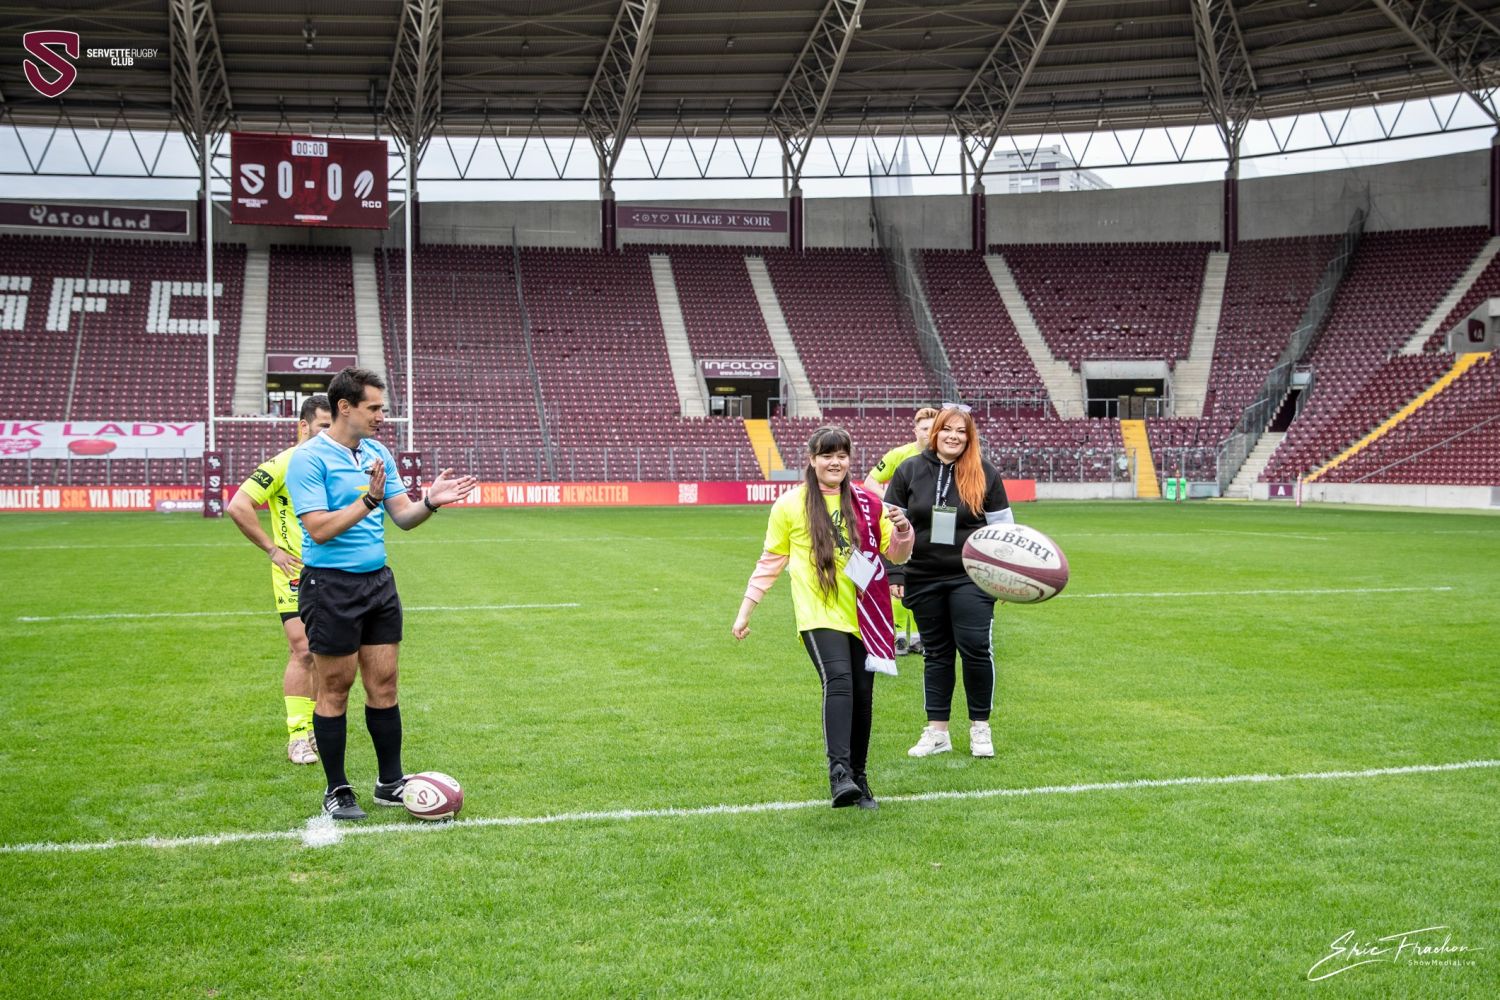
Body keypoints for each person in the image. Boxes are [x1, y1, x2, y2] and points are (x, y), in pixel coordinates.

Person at [285, 367, 478, 820]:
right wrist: (367, 500)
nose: (381, 416)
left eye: (382, 408)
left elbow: (404, 517)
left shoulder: (377, 452)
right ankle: (337, 789)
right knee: (335, 688)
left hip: (378, 584)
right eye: (373, 408)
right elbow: (319, 529)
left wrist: (430, 502)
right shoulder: (308, 459)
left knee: (385, 685)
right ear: (345, 407)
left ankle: (390, 782)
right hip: (330, 585)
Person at [733, 426, 913, 809]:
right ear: (812, 460)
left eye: (842, 455)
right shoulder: (790, 505)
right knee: (839, 681)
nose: (835, 462)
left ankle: (860, 779)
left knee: (863, 695)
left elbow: (896, 554)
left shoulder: (868, 503)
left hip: (864, 614)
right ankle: (839, 774)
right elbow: (769, 563)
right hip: (817, 612)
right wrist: (745, 612)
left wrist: (903, 531)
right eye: (827, 455)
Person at [884, 404, 1013, 759]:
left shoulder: (985, 472)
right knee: (937, 652)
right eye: (947, 429)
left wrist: (1004, 574)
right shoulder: (909, 470)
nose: (953, 436)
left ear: (969, 438)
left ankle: (980, 727)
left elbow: (1003, 529)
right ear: (935, 431)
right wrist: (895, 571)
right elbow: (888, 525)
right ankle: (938, 732)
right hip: (923, 575)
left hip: (971, 576)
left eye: (961, 431)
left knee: (975, 647)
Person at [227, 394, 333, 765]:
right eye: (322, 426)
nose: (328, 433)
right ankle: (298, 735)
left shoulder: (336, 462)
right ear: (303, 426)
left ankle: (316, 728)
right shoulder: (283, 463)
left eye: (332, 426)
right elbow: (238, 505)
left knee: (325, 654)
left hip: (334, 571)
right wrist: (273, 550)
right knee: (303, 650)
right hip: (295, 574)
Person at [863, 407, 938, 657]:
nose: (929, 433)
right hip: (899, 527)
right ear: (915, 430)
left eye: (933, 428)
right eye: (924, 428)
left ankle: (918, 637)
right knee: (897, 582)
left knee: (922, 582)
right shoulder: (899, 454)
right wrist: (892, 502)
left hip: (930, 528)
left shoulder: (946, 457)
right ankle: (898, 638)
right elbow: (870, 481)